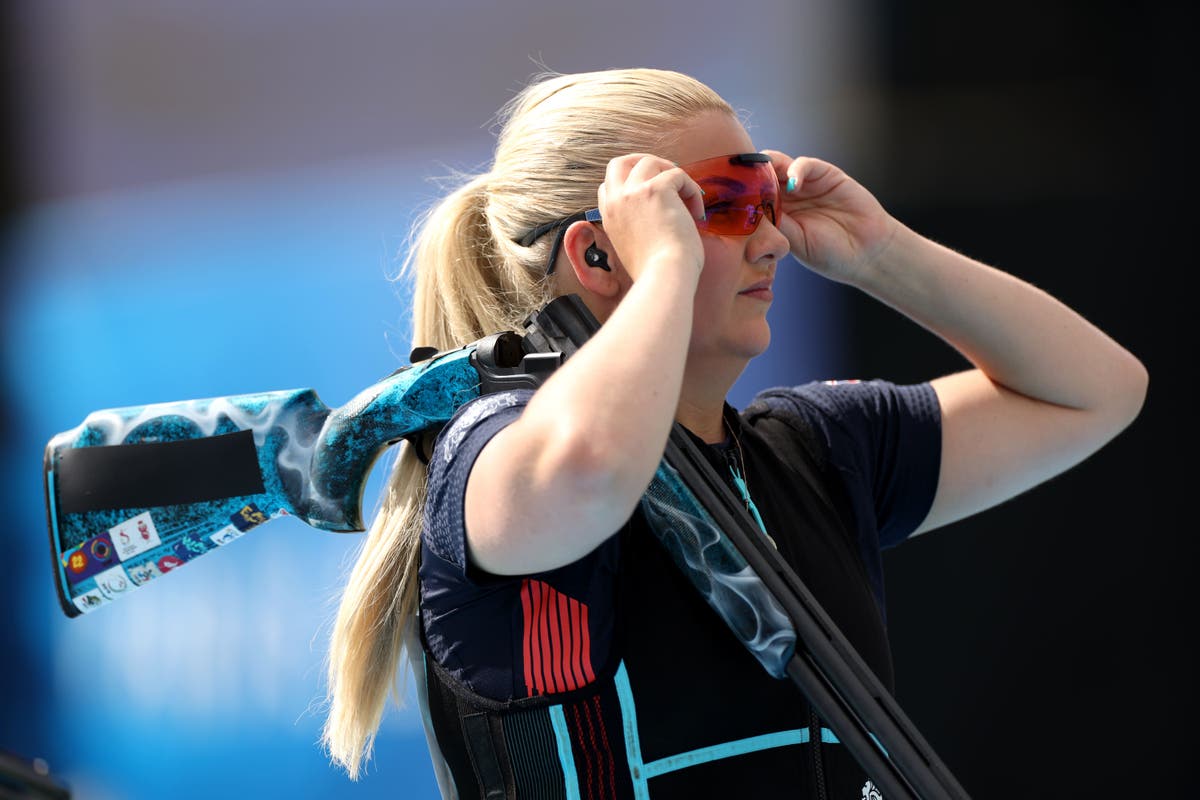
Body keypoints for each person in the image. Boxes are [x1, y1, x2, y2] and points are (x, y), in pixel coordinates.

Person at [320, 68, 1146, 797]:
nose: (775, 238)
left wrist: (880, 251)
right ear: (600, 257)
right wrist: (671, 268)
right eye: (718, 207)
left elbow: (1097, 392)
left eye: (769, 204)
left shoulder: (819, 450)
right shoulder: (492, 452)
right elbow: (596, 471)